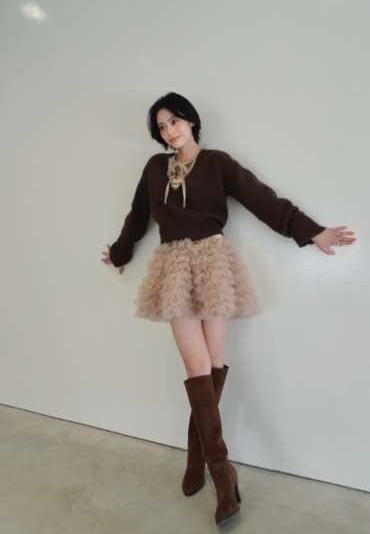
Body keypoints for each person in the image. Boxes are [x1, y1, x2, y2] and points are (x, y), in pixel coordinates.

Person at [101, 92, 357, 524]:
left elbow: (262, 199)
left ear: (191, 121)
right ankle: (222, 470)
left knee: (214, 363)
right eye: (161, 126)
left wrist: (311, 231)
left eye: (174, 121)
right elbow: (138, 215)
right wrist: (120, 252)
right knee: (196, 365)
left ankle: (198, 458)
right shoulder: (154, 168)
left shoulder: (218, 163)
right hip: (172, 266)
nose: (169, 131)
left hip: (213, 263)